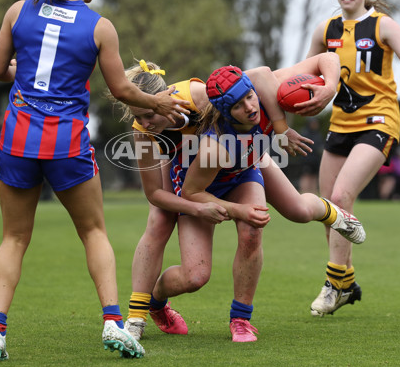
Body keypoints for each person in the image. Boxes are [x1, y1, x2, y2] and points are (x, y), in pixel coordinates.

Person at [0, 0, 189, 361]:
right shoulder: (99, 27)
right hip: (65, 144)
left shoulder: (18, 11)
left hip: (18, 138)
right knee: (93, 232)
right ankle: (113, 322)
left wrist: (24, 72)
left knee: (14, 237)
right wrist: (160, 102)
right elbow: (122, 89)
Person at [115, 56, 332, 340]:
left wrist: (282, 126)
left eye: (149, 114)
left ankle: (241, 319)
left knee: (282, 216)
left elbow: (256, 79)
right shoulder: (144, 133)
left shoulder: (199, 97)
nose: (144, 122)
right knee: (164, 228)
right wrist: (199, 208)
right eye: (137, 116)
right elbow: (155, 194)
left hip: (236, 164)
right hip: (194, 177)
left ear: (167, 97)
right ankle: (142, 310)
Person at [304, 0, 400, 316]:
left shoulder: (383, 25)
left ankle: (332, 285)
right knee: (329, 211)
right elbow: (304, 74)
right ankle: (347, 283)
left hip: (379, 119)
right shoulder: (325, 29)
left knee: (342, 197)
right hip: (340, 124)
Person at [297, 117, 324, 194]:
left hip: (315, 160)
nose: (315, 125)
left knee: (314, 176)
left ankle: (313, 193)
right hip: (307, 160)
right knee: (306, 176)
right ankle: (304, 192)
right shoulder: (305, 133)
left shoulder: (317, 134)